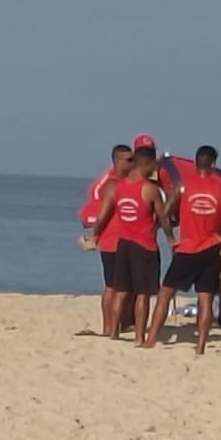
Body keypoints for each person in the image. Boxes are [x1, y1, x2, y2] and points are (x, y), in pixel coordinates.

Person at [147, 145, 221, 354]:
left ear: (195, 162)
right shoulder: (220, 188)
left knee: (165, 294)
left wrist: (171, 238)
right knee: (206, 299)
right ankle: (200, 345)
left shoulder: (183, 185)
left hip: (187, 248)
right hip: (211, 248)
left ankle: (152, 339)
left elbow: (164, 214)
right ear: (213, 164)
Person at [92, 145, 171, 345]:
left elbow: (104, 214)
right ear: (146, 163)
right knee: (142, 294)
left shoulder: (118, 187)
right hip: (144, 245)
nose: (156, 169)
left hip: (123, 244)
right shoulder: (149, 189)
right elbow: (163, 217)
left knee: (121, 290)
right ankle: (139, 337)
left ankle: (112, 333)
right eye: (153, 165)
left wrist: (95, 235)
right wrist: (171, 239)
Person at [81, 144, 134, 336]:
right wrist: (95, 235)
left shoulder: (125, 181)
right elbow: (102, 213)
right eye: (129, 160)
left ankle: (115, 328)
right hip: (113, 241)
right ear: (118, 160)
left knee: (120, 287)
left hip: (124, 240)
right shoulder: (111, 183)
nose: (132, 163)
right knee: (114, 287)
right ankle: (110, 329)